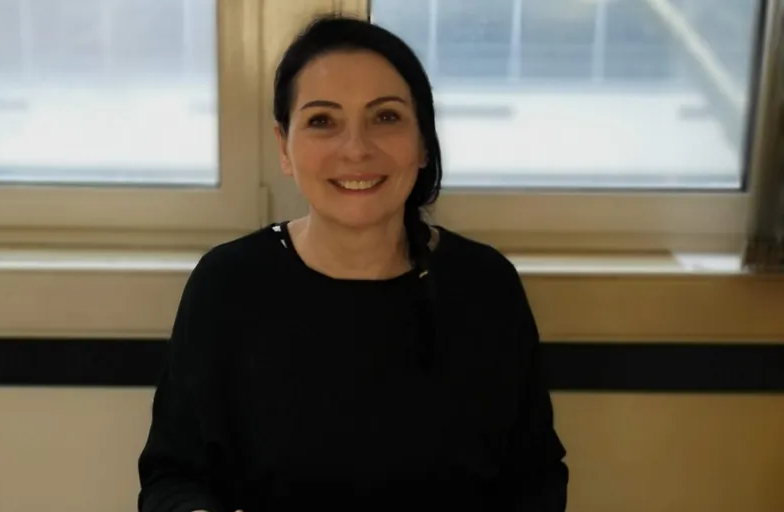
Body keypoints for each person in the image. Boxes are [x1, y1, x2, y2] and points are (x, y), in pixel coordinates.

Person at [137, 14, 568, 512]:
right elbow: (172, 476)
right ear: (284, 147)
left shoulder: (484, 284)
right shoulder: (228, 285)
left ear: (424, 142)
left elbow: (535, 476)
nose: (357, 149)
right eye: (323, 121)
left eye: (385, 117)